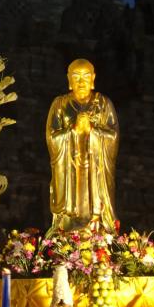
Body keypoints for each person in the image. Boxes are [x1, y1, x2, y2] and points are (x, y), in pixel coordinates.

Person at [45, 59, 119, 235]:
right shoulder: (60, 104)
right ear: (69, 80)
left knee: (96, 206)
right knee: (70, 210)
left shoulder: (103, 104)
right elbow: (51, 138)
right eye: (76, 77)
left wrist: (92, 130)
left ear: (93, 79)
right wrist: (74, 130)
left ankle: (96, 225)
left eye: (86, 77)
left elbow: (114, 136)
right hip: (70, 170)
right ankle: (68, 228)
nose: (81, 82)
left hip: (95, 171)